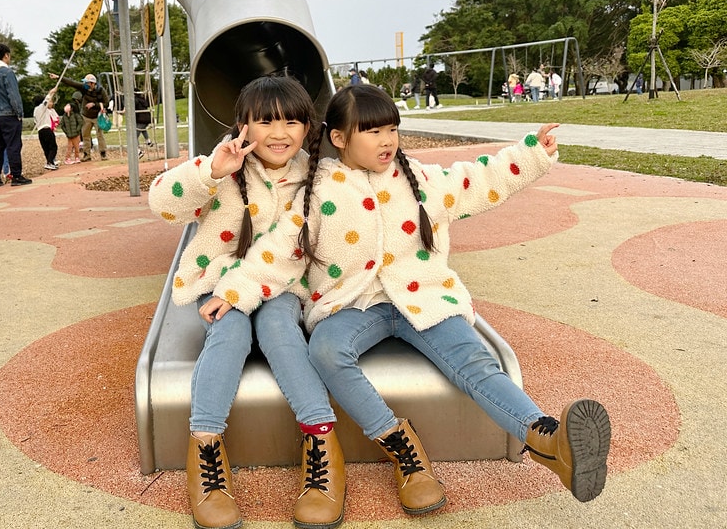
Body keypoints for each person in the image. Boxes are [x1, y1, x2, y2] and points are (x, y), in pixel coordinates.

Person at [215, 85, 611, 515]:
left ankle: (547, 439)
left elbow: (478, 179)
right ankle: (405, 452)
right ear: (340, 138)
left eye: (391, 129)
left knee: (474, 362)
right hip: (351, 304)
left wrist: (531, 153)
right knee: (326, 350)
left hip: (424, 298)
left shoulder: (418, 179)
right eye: (371, 131)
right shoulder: (318, 193)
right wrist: (235, 291)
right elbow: (278, 251)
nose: (386, 140)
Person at [149, 75, 345, 529]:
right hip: (220, 283)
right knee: (231, 332)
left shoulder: (317, 176)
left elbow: (294, 247)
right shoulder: (226, 170)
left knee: (280, 329)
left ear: (308, 127)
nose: (280, 133)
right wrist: (211, 172)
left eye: (292, 122)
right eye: (265, 122)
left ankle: (320, 442)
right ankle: (207, 451)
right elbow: (163, 204)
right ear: (243, 126)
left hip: (282, 284)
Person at [0, 43, 31, 186]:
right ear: (6, 55)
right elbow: (13, 95)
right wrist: (19, 113)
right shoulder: (7, 72)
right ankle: (16, 176)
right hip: (9, 114)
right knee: (13, 145)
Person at [50, 72, 109, 161]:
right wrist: (58, 77)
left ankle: (103, 153)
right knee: (85, 135)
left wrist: (94, 104)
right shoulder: (83, 88)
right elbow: (71, 82)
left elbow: (106, 103)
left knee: (100, 135)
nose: (85, 84)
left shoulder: (101, 90)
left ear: (92, 83)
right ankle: (87, 154)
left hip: (97, 116)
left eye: (87, 83)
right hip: (86, 116)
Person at [33, 92, 60, 170]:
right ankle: (49, 162)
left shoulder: (35, 110)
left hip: (40, 131)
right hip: (46, 129)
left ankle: (50, 162)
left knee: (46, 148)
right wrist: (53, 91)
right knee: (53, 147)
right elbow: (47, 98)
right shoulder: (42, 107)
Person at [133, 91, 154, 158]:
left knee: (134, 136)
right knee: (142, 129)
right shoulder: (142, 100)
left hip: (141, 119)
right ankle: (148, 141)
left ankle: (138, 151)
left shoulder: (135, 100)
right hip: (147, 118)